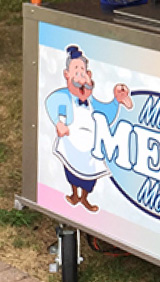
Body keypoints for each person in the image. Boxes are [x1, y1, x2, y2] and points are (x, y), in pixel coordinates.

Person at [45, 45, 133, 212]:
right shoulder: (64, 96)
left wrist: (116, 101)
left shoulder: (92, 101)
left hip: (90, 150)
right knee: (71, 172)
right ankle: (73, 194)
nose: (80, 75)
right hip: (71, 144)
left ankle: (84, 198)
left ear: (89, 75)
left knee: (89, 178)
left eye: (82, 71)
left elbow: (106, 115)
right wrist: (59, 123)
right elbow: (51, 102)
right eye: (75, 71)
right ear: (67, 75)